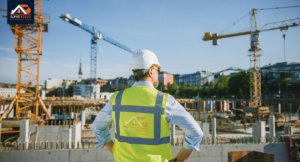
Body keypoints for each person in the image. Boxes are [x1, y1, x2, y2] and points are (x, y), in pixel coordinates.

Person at [92, 49, 203, 162]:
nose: (158, 73)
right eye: (157, 70)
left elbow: (98, 127)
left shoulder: (117, 98)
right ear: (150, 71)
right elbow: (196, 133)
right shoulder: (164, 101)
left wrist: (115, 151)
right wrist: (178, 160)